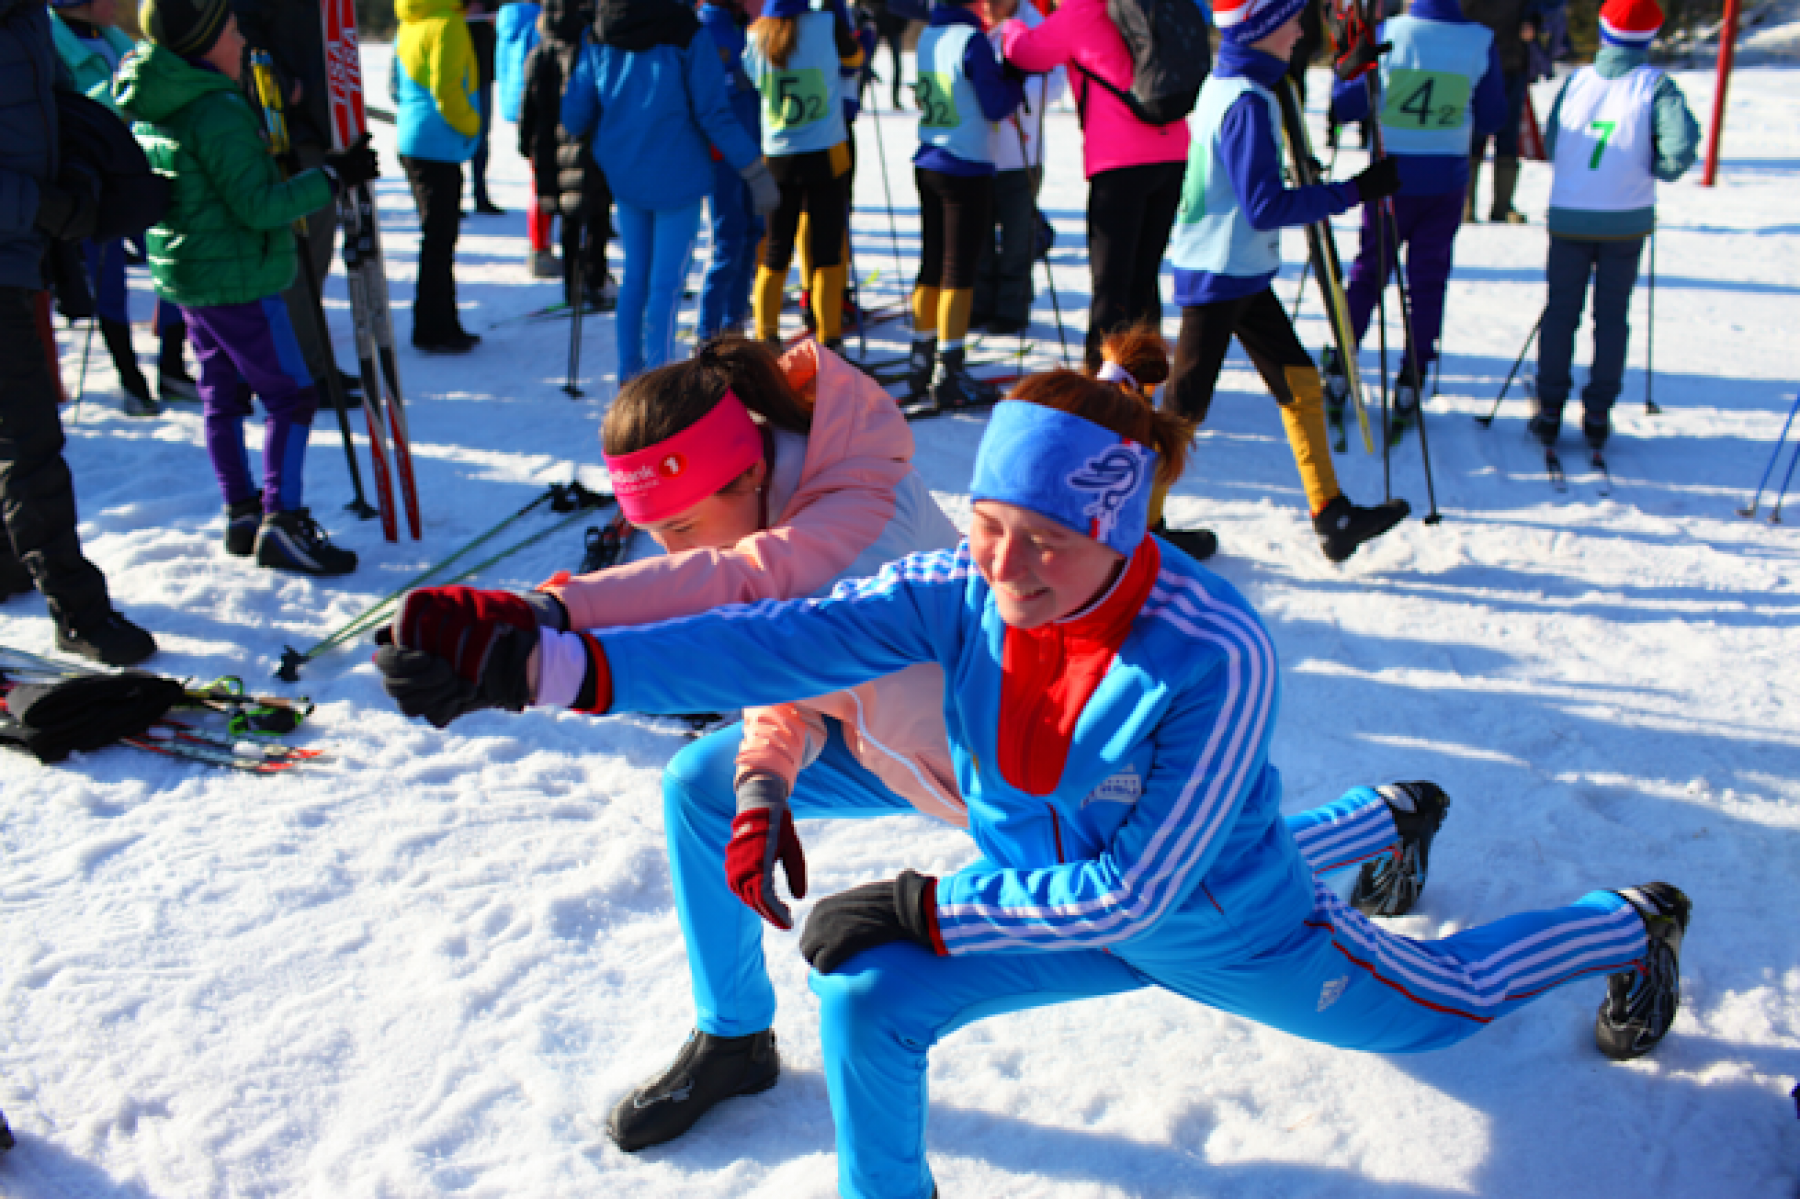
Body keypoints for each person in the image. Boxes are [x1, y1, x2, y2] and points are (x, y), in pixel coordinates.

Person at [409, 342, 1689, 1198]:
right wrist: (547, 661)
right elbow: (775, 634)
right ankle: (1394, 814)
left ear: (1121, 527)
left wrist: (922, 903)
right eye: (989, 530)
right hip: (1041, 873)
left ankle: (1628, 922)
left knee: (1442, 1001)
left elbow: (1135, 897)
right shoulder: (959, 583)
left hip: (1210, 922)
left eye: (1048, 544)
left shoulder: (1215, 654)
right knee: (868, 1000)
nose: (1008, 570)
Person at [116, 0, 374, 575]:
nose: (242, 43)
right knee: (290, 394)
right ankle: (283, 519)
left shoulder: (164, 94)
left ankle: (242, 513)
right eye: (233, 32)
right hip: (238, 276)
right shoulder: (216, 109)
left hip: (191, 275)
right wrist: (332, 176)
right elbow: (259, 207)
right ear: (206, 42)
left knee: (223, 394)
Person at [1160, 0, 1411, 564]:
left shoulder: (1236, 84)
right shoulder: (1247, 101)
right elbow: (1264, 205)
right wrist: (1355, 191)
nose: (1300, 29)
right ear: (1261, 28)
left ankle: (1332, 512)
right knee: (1183, 407)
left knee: (1299, 382)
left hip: (1238, 268)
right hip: (1220, 269)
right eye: (1290, 20)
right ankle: (1141, 524)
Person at [0, 0, 157, 664]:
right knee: (29, 434)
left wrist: (91, 163)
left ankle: (12, 562)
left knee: (19, 427)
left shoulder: (27, 16)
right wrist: (45, 203)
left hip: (20, 245)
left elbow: (51, 98)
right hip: (12, 239)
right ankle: (77, 608)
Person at [561, 0, 776, 382]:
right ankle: (657, 380)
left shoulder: (600, 29)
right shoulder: (687, 31)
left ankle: (630, 374)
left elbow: (576, 114)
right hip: (678, 172)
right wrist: (754, 170)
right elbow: (715, 113)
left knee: (635, 279)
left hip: (625, 170)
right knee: (665, 285)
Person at [1324, 0, 1504, 435]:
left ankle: (1340, 364)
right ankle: (1413, 374)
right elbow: (1494, 117)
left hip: (1390, 177)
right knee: (1428, 278)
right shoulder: (1480, 40)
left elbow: (1346, 106)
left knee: (1369, 271)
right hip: (1446, 178)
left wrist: (1348, 63)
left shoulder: (1387, 32)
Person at [1529, 0, 1697, 451]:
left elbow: (1551, 141)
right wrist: (1652, 168)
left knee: (1561, 311)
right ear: (1649, 36)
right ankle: (1598, 411)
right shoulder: (1655, 86)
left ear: (1603, 31)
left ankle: (1549, 407)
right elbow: (1681, 150)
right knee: (1611, 316)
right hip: (1625, 218)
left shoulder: (1577, 81)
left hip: (1569, 213)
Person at [1004, 0, 1189, 370]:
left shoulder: (1079, 12)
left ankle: (1098, 381)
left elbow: (1024, 54)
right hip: (1173, 150)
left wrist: (1011, 26)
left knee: (1112, 281)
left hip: (1119, 161)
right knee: (1144, 275)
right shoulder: (1139, 6)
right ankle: (1144, 378)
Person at [233, 0, 364, 407]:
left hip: (325, 129)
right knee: (299, 264)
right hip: (291, 134)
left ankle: (314, 358)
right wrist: (282, 83)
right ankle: (303, 368)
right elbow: (239, 28)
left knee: (315, 262)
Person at [901, 0, 1022, 412]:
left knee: (932, 264)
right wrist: (1015, 78)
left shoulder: (929, 34)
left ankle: (922, 354)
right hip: (965, 164)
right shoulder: (972, 40)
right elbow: (995, 104)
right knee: (959, 270)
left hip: (930, 157)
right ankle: (949, 368)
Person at [48, 0, 157, 415]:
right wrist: (120, 99)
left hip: (137, 172)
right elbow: (67, 111)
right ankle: (131, 379)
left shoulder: (113, 37)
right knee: (109, 283)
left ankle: (171, 368)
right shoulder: (52, 43)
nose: (119, 4)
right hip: (96, 183)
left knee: (167, 264)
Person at [741, 0, 863, 352]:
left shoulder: (756, 35)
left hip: (778, 157)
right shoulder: (825, 24)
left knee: (775, 250)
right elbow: (853, 61)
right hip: (826, 154)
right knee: (826, 251)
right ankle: (830, 338)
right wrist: (862, 37)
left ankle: (766, 336)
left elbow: (750, 77)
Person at [394, 0, 483, 352]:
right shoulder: (447, 23)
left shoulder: (412, 19)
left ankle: (439, 322)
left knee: (435, 239)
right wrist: (473, 124)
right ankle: (434, 329)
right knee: (439, 240)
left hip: (415, 139)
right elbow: (446, 89)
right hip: (439, 142)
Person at [969, 0, 1061, 339]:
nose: (991, 5)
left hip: (1021, 156)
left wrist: (1017, 89)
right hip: (978, 153)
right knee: (978, 236)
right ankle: (980, 302)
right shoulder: (973, 23)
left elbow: (1056, 81)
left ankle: (1012, 307)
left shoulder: (1033, 24)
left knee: (1017, 237)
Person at [519, 0, 616, 308]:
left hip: (550, 143)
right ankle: (595, 279)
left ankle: (572, 287)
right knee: (597, 213)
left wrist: (526, 143)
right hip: (588, 142)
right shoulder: (591, 49)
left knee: (569, 217)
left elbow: (528, 107)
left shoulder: (540, 51)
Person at [696, 0, 764, 339]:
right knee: (728, 243)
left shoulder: (742, 25)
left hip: (753, 153)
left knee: (752, 234)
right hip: (723, 160)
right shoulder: (705, 27)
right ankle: (708, 336)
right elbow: (710, 103)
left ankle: (735, 331)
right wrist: (740, 78)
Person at [1462, 0, 1540, 224]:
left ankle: (1503, 206)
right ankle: (1466, 204)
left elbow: (1534, 8)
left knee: (1508, 136)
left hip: (1512, 62)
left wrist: (1531, 21)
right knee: (1473, 136)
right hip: (1475, 64)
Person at [465, 0, 504, 214]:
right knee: (456, 135)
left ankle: (480, 193)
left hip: (483, 72)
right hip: (459, 73)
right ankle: (455, 198)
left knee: (482, 137)